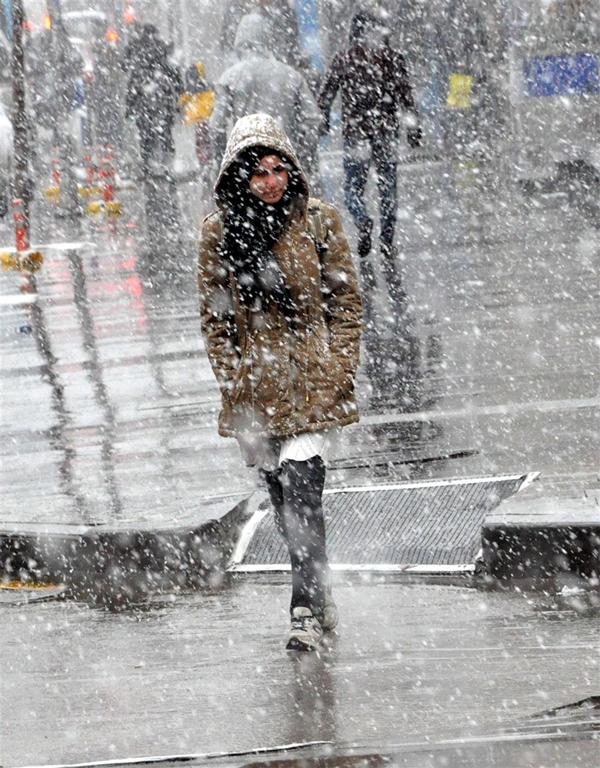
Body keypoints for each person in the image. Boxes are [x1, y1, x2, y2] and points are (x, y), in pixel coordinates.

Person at [198, 113, 362, 651]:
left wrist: (338, 367)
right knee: (284, 502)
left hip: (313, 385)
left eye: (278, 170)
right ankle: (319, 591)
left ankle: (303, 611)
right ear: (238, 177)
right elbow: (214, 319)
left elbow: (346, 303)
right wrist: (232, 381)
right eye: (258, 173)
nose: (270, 182)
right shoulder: (220, 234)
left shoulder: (319, 221)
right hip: (256, 394)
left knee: (304, 493)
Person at [318, 11, 422, 313]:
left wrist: (323, 121)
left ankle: (362, 219)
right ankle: (387, 241)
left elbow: (325, 96)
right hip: (385, 134)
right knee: (388, 188)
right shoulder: (392, 58)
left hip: (356, 136)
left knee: (353, 188)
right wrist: (413, 128)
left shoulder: (343, 58)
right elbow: (406, 96)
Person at [209, 12, 323, 195]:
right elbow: (313, 120)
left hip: (247, 166)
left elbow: (216, 126)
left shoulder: (229, 78)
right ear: (269, 39)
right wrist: (301, 155)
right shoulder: (291, 76)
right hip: (284, 163)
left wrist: (225, 164)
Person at [124, 24, 183, 179]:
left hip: (143, 97)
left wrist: (130, 106)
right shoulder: (161, 48)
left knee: (145, 133)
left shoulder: (137, 48)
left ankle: (147, 165)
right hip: (162, 97)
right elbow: (174, 75)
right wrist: (177, 100)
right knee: (166, 132)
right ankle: (167, 166)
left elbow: (127, 69)